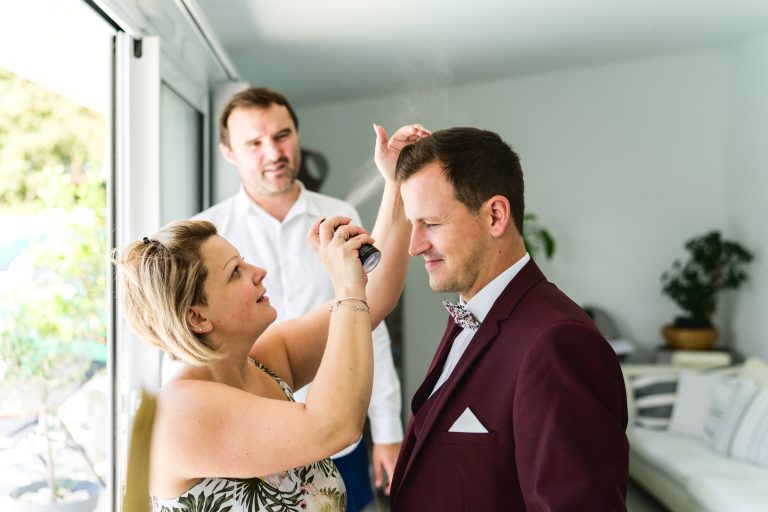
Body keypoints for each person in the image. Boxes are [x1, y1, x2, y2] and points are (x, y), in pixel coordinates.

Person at [114, 123, 423, 511]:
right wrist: (344, 288)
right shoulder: (180, 412)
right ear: (197, 318)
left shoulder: (262, 361)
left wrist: (394, 184)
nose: (258, 270)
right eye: (235, 272)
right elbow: (336, 427)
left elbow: (374, 297)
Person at [388, 127, 629, 511]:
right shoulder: (471, 311)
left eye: (430, 224)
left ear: (496, 215)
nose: (415, 245)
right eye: (413, 225)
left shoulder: (558, 342)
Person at [193, 87, 410, 509]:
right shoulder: (206, 236)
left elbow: (368, 316)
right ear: (228, 152)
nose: (272, 152)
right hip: (255, 443)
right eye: (254, 143)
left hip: (342, 443)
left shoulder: (338, 214)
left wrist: (387, 428)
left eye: (282, 135)